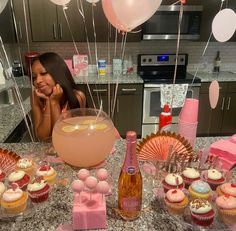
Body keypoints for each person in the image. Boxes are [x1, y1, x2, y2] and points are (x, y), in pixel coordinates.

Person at [31, 52, 86, 141]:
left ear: (57, 73)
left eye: (44, 73)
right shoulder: (36, 97)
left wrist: (54, 102)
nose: (38, 80)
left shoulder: (77, 97)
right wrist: (48, 102)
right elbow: (42, 136)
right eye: (34, 77)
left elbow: (62, 137)